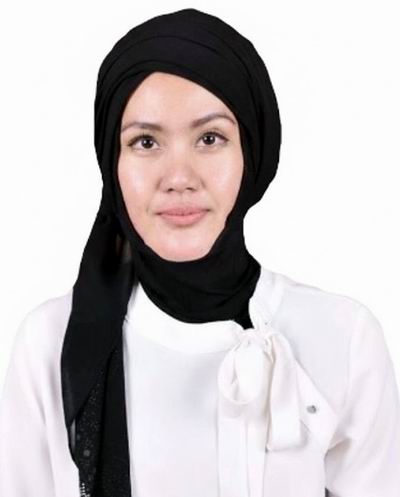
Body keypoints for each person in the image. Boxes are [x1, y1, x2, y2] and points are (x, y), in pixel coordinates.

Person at [0, 7, 399, 497]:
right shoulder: (48, 346)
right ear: (112, 161)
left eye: (210, 138)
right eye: (145, 141)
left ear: (252, 153)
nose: (179, 178)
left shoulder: (344, 338)